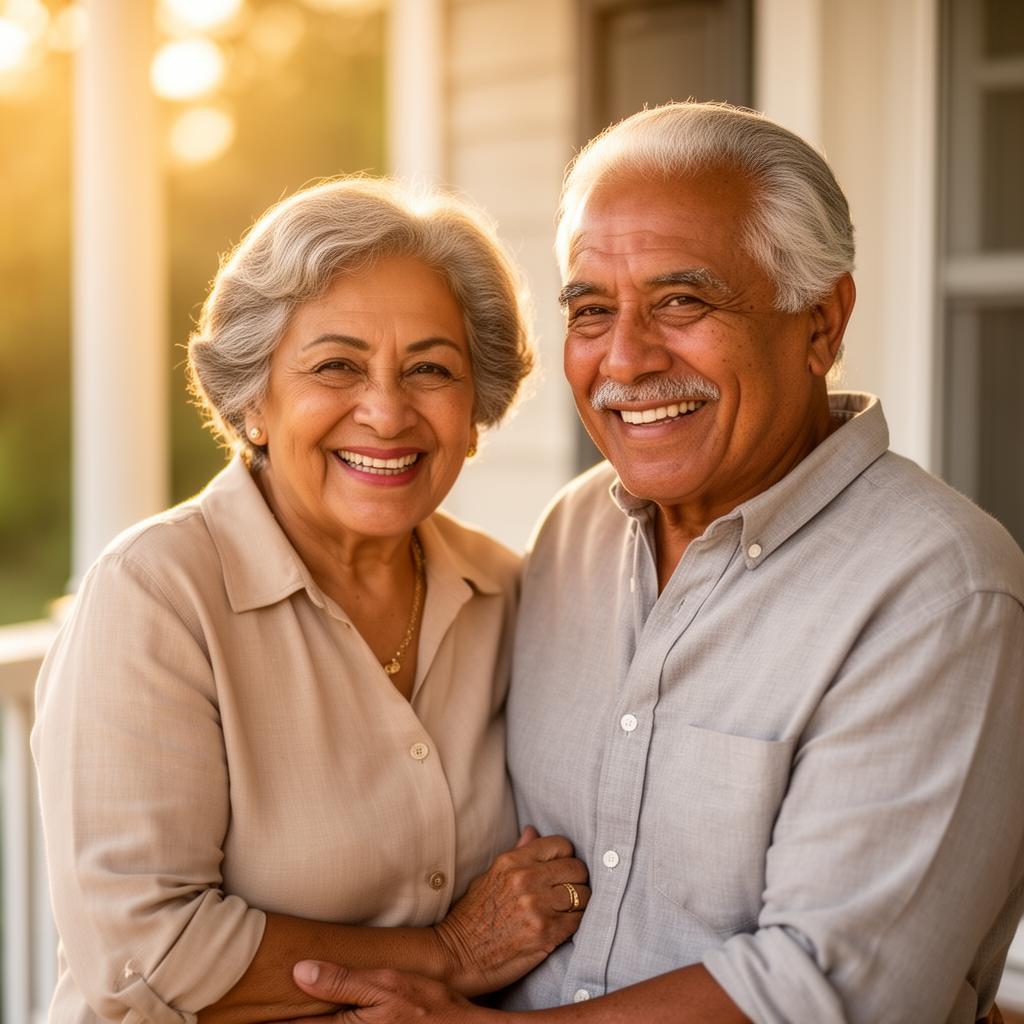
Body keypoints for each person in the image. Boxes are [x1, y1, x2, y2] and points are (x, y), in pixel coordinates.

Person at [287, 103, 1024, 1022]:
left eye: (683, 302)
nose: (625, 359)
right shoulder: (572, 535)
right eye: (592, 311)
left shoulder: (940, 590)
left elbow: (834, 988)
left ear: (823, 322)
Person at [31, 177, 591, 1024]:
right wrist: (451, 954)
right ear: (254, 402)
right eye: (337, 366)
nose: (386, 410)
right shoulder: (155, 593)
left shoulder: (511, 593)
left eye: (430, 370)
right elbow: (141, 951)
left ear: (474, 414)